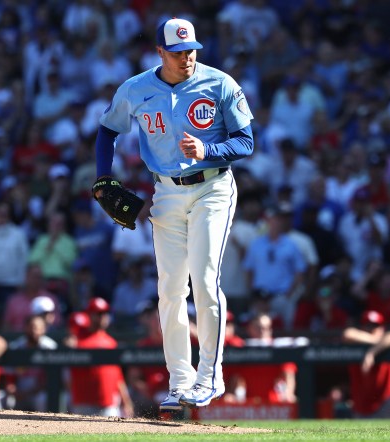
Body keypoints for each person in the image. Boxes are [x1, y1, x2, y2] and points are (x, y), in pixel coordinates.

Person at [93, 17, 254, 411]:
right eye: (179, 51)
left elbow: (247, 141)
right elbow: (107, 130)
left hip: (213, 187)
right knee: (169, 290)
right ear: (160, 52)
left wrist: (208, 151)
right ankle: (180, 382)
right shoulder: (136, 88)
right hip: (165, 191)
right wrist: (102, 178)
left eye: (192, 49)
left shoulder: (219, 83)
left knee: (203, 279)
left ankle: (209, 377)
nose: (188, 57)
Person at [68, 297, 134, 417]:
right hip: (83, 402)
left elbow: (118, 375)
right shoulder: (78, 338)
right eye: (99, 313)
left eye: (105, 313)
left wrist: (126, 400)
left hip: (108, 402)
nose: (103, 317)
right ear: (90, 315)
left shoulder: (110, 342)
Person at [342, 310, 390, 419]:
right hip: (363, 406)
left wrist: (372, 353)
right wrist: (376, 340)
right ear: (362, 328)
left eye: (375, 326)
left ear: (382, 328)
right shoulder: (356, 342)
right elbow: (348, 334)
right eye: (368, 326)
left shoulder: (387, 341)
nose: (372, 329)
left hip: (387, 402)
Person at [5, 314, 58, 411]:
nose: (34, 331)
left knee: (42, 399)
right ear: (25, 328)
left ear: (44, 329)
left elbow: (50, 379)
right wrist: (12, 388)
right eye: (30, 327)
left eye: (37, 328)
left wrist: (29, 393)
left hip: (38, 391)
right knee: (6, 399)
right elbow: (9, 376)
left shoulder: (50, 347)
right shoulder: (16, 347)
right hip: (19, 391)